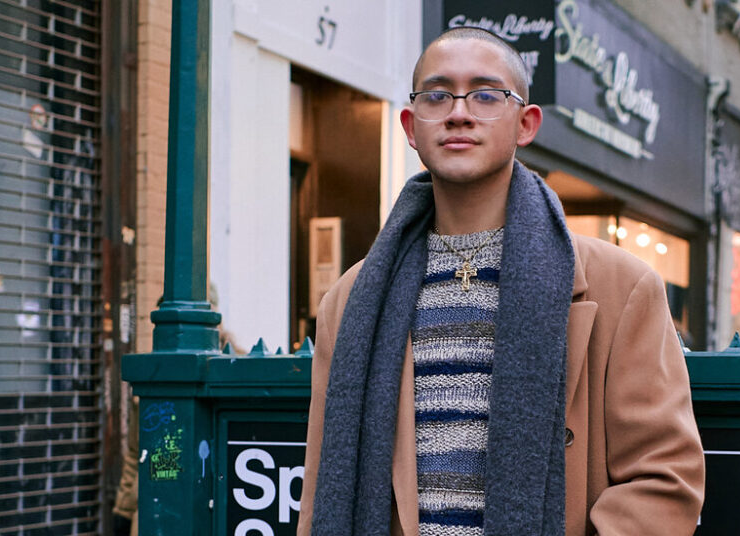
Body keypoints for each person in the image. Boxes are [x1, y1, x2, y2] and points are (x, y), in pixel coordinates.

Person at [297, 27, 704, 536]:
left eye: (487, 95)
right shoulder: (352, 300)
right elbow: (321, 485)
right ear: (410, 123)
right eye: (437, 94)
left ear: (526, 123)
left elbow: (665, 479)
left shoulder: (621, 286)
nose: (459, 111)